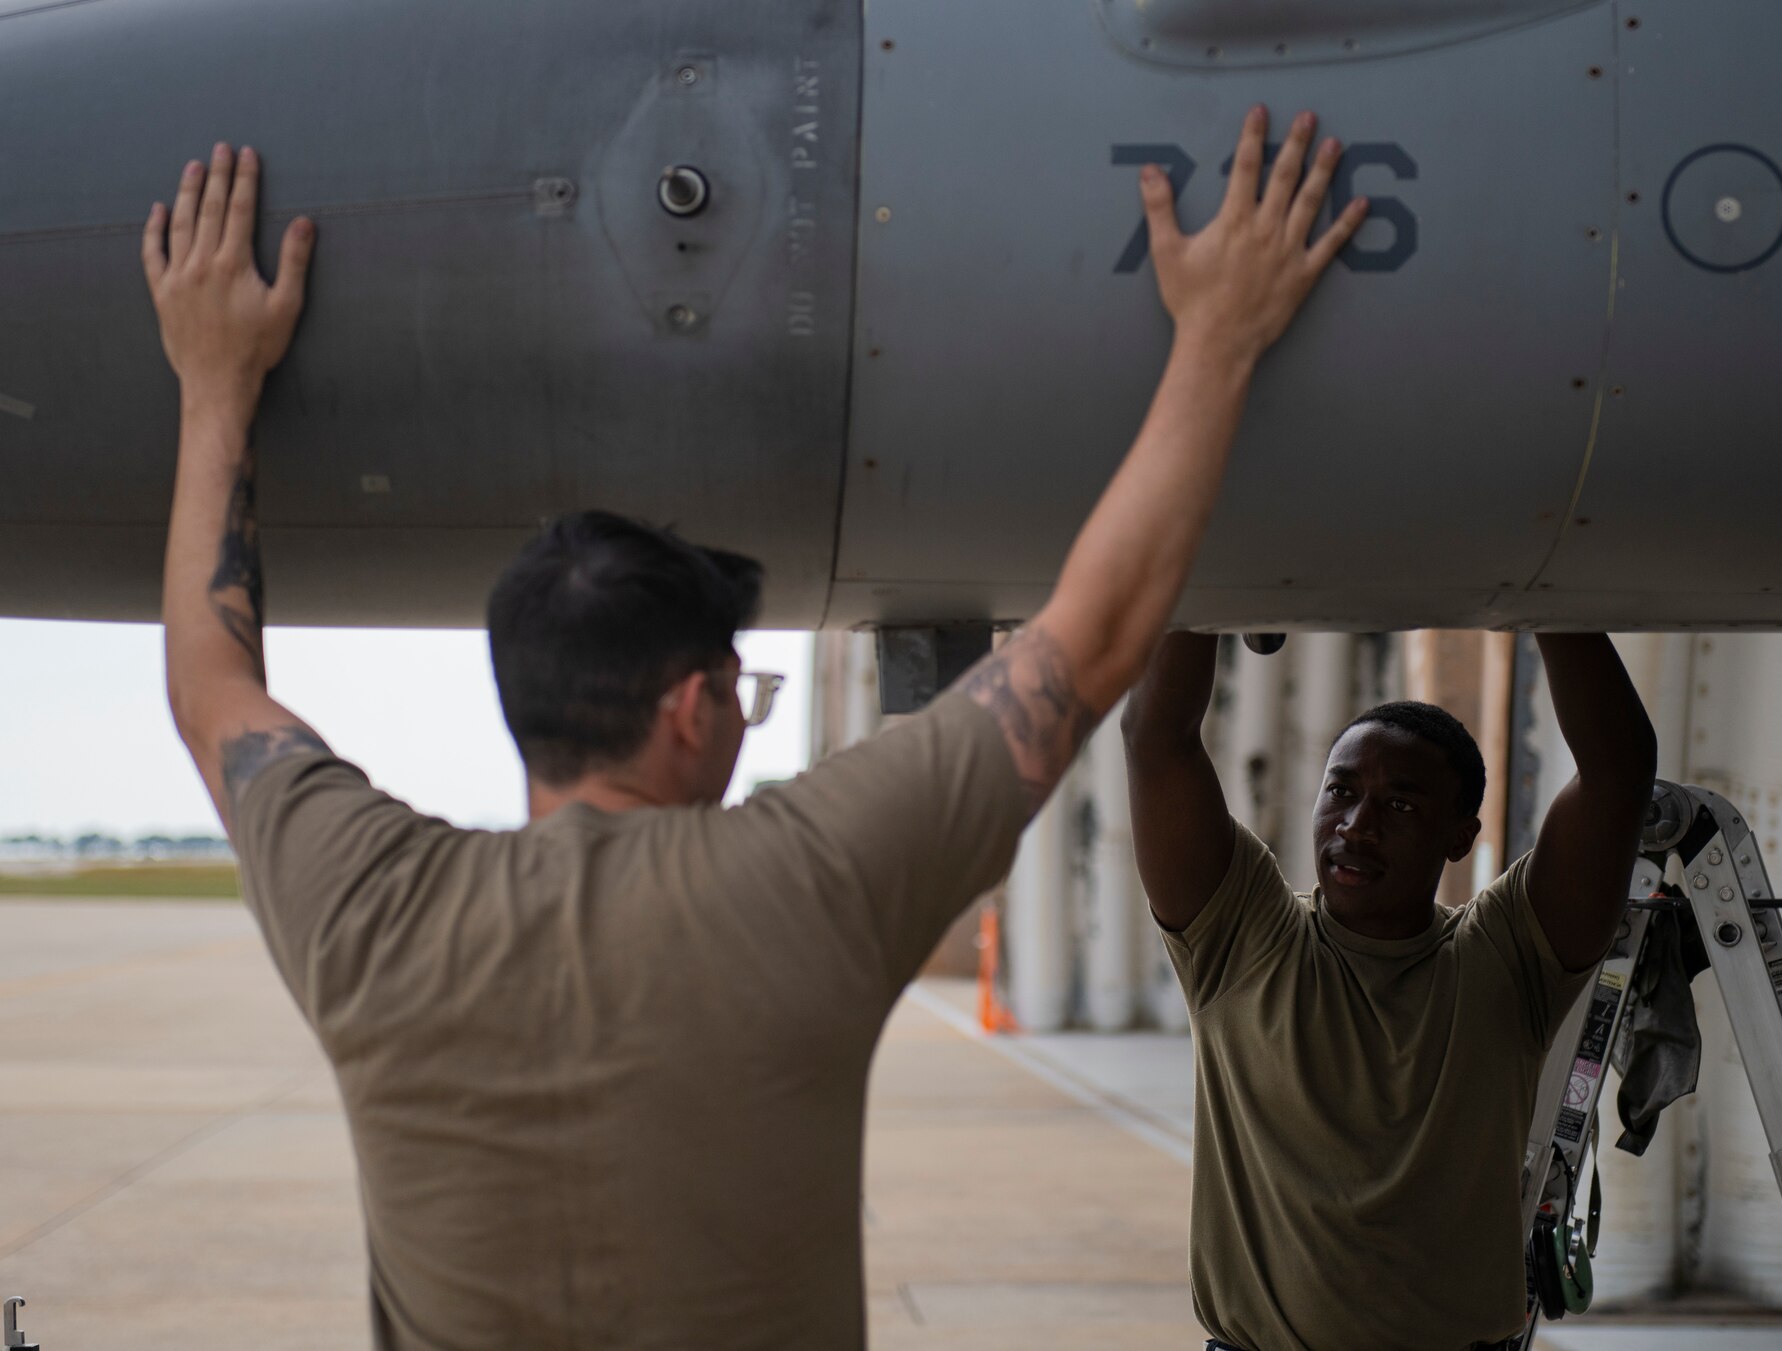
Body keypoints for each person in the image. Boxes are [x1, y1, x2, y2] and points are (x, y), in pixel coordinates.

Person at [142, 108, 1369, 1348]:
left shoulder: (368, 906)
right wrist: (1218, 337)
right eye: (743, 690)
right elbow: (1094, 635)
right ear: (689, 708)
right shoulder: (805, 877)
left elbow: (210, 686)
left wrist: (212, 381)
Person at [1121, 633, 1657, 1351]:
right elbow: (1156, 739)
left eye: (1399, 804)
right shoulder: (1241, 939)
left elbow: (1619, 773)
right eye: (1341, 790)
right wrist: (1209, 585)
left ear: (1460, 835)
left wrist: (1545, 591)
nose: (1357, 825)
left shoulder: (1506, 960)